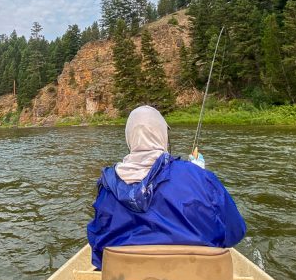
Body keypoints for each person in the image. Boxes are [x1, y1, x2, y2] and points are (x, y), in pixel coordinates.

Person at [87, 105, 246, 269]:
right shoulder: (202, 178)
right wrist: (200, 175)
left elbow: (98, 253)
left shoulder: (106, 188)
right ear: (163, 135)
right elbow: (235, 233)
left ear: (130, 138)